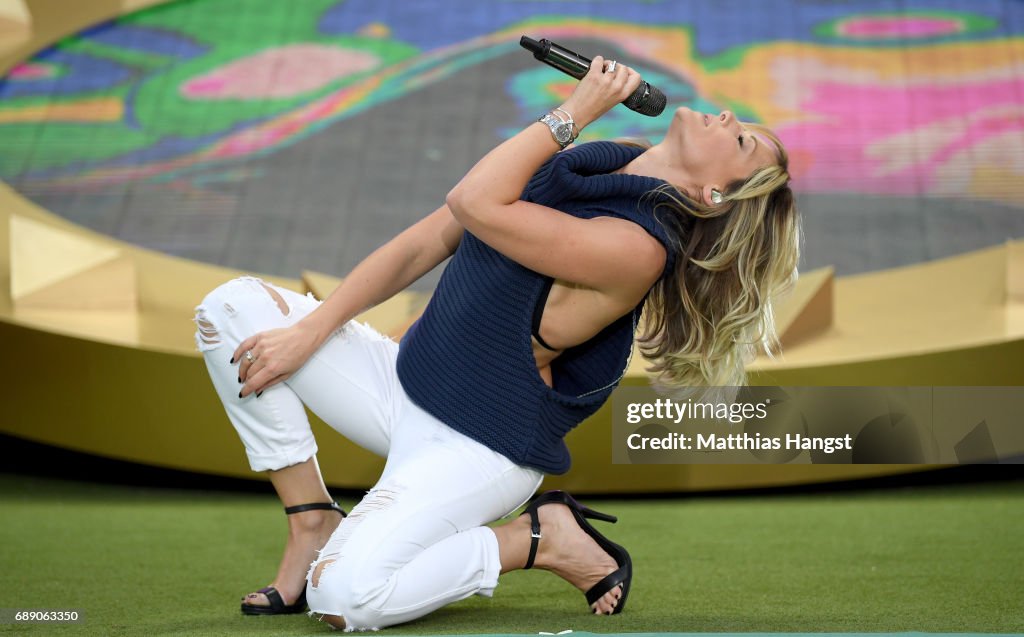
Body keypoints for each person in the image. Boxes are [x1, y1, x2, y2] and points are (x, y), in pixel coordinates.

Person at [193, 56, 798, 630]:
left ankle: (536, 538)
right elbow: (428, 239)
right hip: (408, 383)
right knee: (228, 310)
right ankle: (312, 519)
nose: (727, 117)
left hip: (477, 446)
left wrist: (574, 110)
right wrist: (311, 331)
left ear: (712, 195)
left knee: (344, 599)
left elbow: (474, 202)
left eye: (741, 139)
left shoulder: (636, 248)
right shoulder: (609, 163)